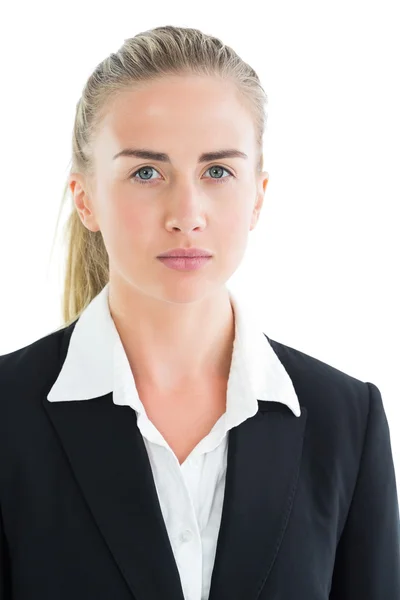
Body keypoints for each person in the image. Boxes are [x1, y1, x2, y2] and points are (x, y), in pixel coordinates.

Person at [0, 24, 399, 600]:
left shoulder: (346, 421)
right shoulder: (8, 416)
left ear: (258, 196)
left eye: (217, 172)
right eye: (146, 172)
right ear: (86, 198)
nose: (186, 213)